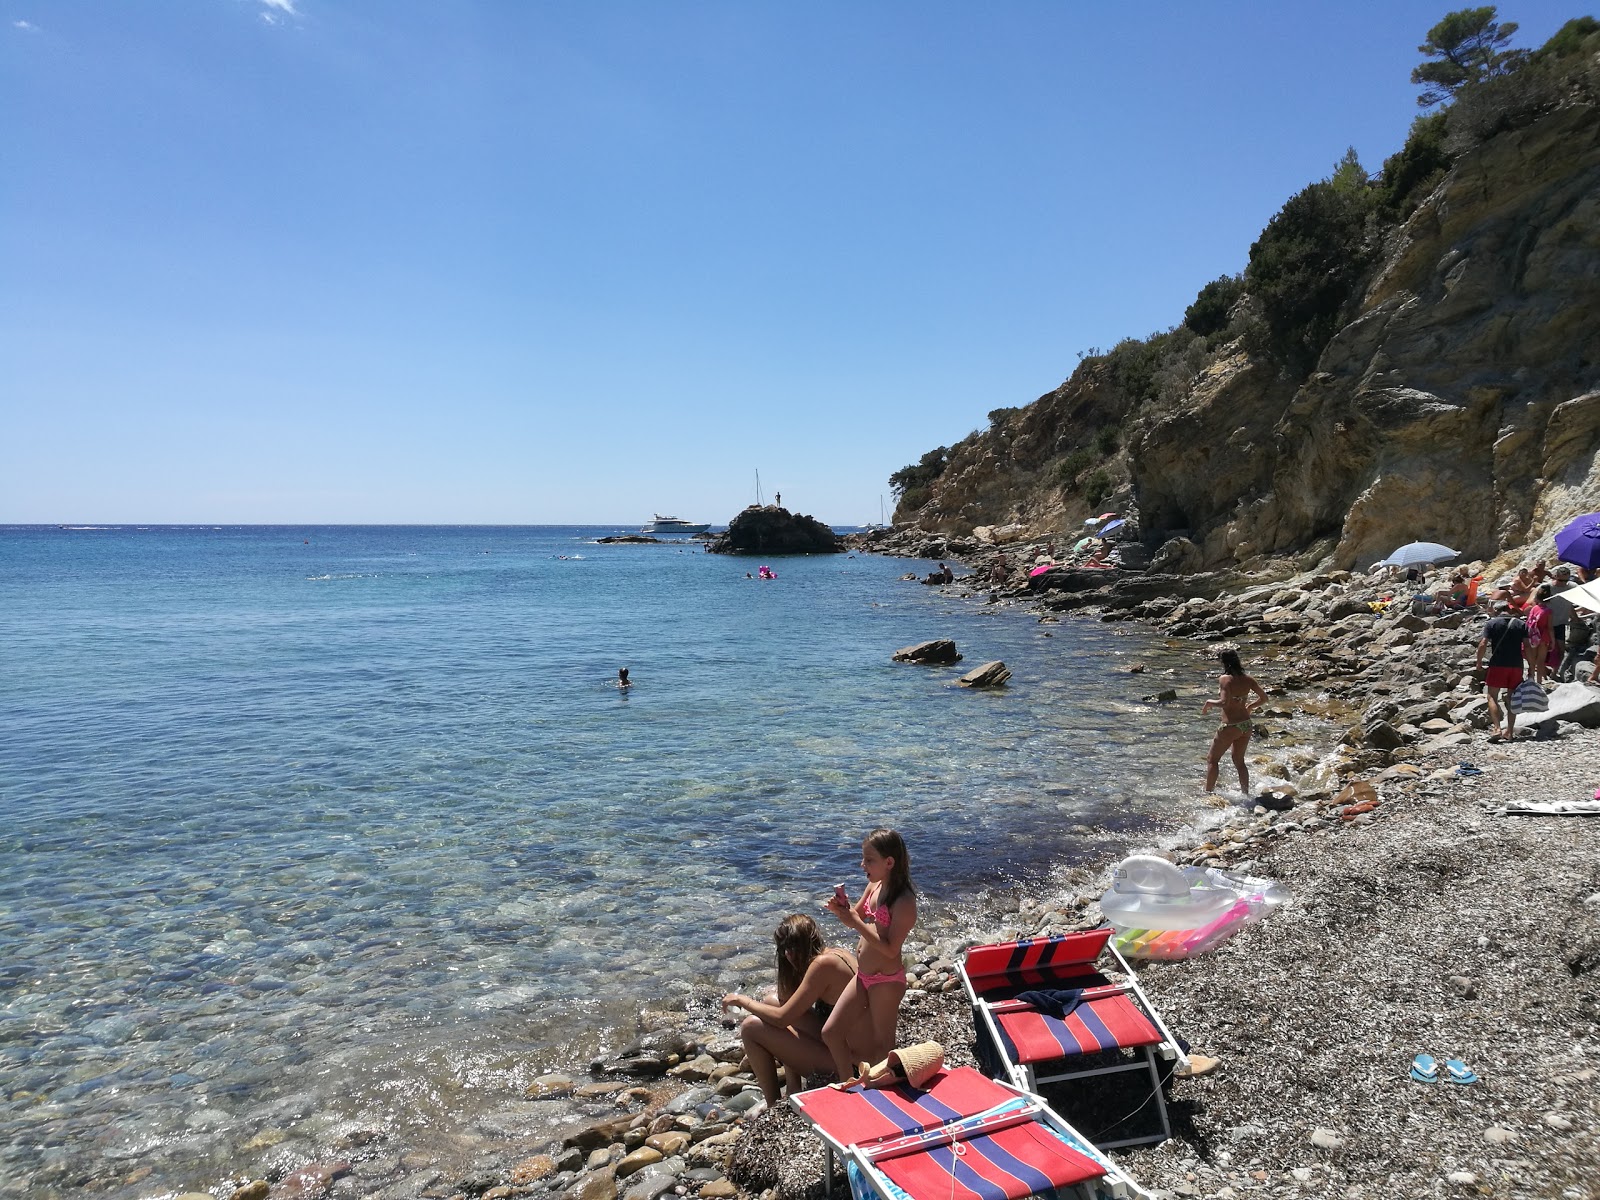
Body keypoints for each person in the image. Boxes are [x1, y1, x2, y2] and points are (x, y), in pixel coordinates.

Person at [721, 915, 862, 1104]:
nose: (788, 955)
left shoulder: (822, 966)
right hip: (847, 1048)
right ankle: (793, 1086)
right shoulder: (835, 954)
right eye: (783, 950)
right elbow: (784, 1002)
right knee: (771, 1001)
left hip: (851, 1066)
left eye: (791, 948)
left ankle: (772, 1104)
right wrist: (787, 969)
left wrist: (742, 1001)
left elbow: (782, 1019)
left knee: (750, 1027)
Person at [822, 829, 917, 1081]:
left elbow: (890, 949)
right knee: (831, 1032)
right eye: (863, 858)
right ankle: (847, 1082)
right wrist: (842, 910)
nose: (862, 864)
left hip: (886, 980)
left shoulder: (904, 901)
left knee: (883, 1048)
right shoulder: (874, 886)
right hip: (864, 975)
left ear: (889, 862)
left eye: (869, 859)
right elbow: (856, 917)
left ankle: (885, 1094)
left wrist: (855, 922)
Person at [1201, 648, 1269, 794]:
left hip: (1230, 725)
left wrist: (1209, 703)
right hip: (1246, 724)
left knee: (1212, 760)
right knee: (1239, 761)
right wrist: (1250, 706)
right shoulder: (1248, 679)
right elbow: (1264, 698)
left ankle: (1208, 794)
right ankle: (1245, 794)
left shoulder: (1225, 679)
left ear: (1224, 662)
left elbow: (1224, 702)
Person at [1475, 601, 1528, 743]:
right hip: (1516, 665)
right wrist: (1532, 666)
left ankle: (1497, 728)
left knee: (1492, 696)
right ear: (1508, 609)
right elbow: (1527, 646)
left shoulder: (1491, 623)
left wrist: (1479, 662)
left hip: (1498, 664)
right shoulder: (1520, 624)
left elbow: (1483, 643)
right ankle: (1510, 731)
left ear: (1495, 610)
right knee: (1512, 698)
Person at [1546, 566, 1575, 675]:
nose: (1563, 583)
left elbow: (1570, 604)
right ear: (1555, 576)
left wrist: (1575, 618)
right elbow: (1536, 603)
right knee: (1544, 651)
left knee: (1561, 650)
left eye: (1566, 581)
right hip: (1546, 624)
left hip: (1560, 624)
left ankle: (1554, 673)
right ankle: (1542, 673)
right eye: (1560, 580)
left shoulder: (1571, 587)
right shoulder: (1547, 587)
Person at [1525, 584, 1554, 685]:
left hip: (1533, 636)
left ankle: (1531, 679)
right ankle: (1539, 681)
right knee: (1541, 661)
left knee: (1532, 660)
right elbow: (1550, 628)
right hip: (1544, 637)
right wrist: (1553, 641)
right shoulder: (1548, 611)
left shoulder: (1534, 608)